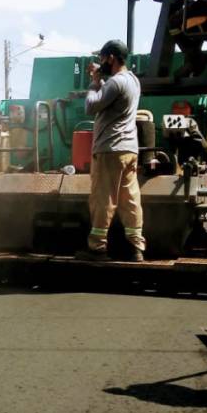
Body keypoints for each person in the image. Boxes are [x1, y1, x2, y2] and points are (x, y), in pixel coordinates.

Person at [76, 39, 145, 263]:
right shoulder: (133, 81)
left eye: (102, 58)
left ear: (112, 58)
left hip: (110, 149)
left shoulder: (114, 83)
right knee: (130, 200)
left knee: (103, 199)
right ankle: (136, 248)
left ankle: (97, 248)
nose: (100, 62)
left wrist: (95, 82)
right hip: (129, 149)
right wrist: (102, 80)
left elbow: (90, 106)